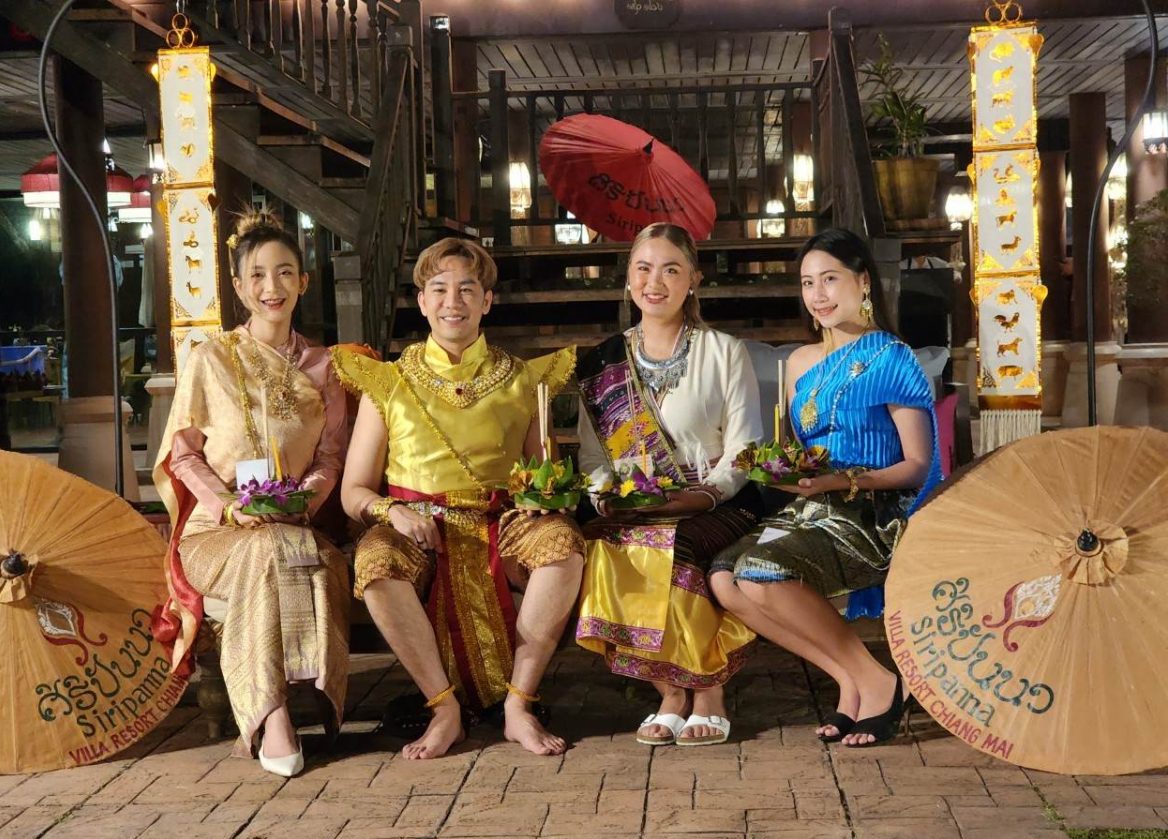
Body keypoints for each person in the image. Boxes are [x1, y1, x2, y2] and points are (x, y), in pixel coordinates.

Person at [335, 237, 585, 760]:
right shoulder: (389, 382)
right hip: (417, 525)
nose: (454, 302)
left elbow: (545, 477)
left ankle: (518, 703)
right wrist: (393, 511)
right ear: (422, 301)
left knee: (563, 543)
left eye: (467, 289)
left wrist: (548, 500)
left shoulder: (523, 379)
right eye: (440, 289)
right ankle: (443, 707)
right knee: (375, 560)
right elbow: (353, 490)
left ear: (487, 301)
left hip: (502, 522)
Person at [710, 227, 942, 747]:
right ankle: (851, 680)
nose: (818, 294)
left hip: (874, 511)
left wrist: (841, 480)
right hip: (812, 508)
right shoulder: (799, 362)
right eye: (808, 282)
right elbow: (801, 453)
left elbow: (917, 465)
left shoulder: (892, 357)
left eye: (830, 279)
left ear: (863, 282)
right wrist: (780, 468)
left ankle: (879, 680)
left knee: (763, 571)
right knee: (725, 579)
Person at [152, 210, 350, 777]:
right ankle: (271, 714)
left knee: (312, 556)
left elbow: (330, 457)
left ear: (303, 282)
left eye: (285, 272)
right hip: (215, 534)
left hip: (293, 522)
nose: (272, 287)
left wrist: (303, 501)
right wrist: (229, 505)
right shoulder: (210, 358)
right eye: (258, 275)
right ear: (239, 288)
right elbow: (182, 455)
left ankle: (304, 700)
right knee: (264, 553)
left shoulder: (325, 368)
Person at [575, 223, 763, 747]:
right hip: (636, 505)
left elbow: (745, 449)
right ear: (628, 278)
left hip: (717, 501)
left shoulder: (725, 352)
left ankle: (708, 692)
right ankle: (671, 691)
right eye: (643, 268)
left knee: (675, 547)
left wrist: (704, 494)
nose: (654, 282)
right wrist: (606, 498)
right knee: (602, 546)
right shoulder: (602, 363)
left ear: (693, 280)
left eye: (670, 269)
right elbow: (593, 457)